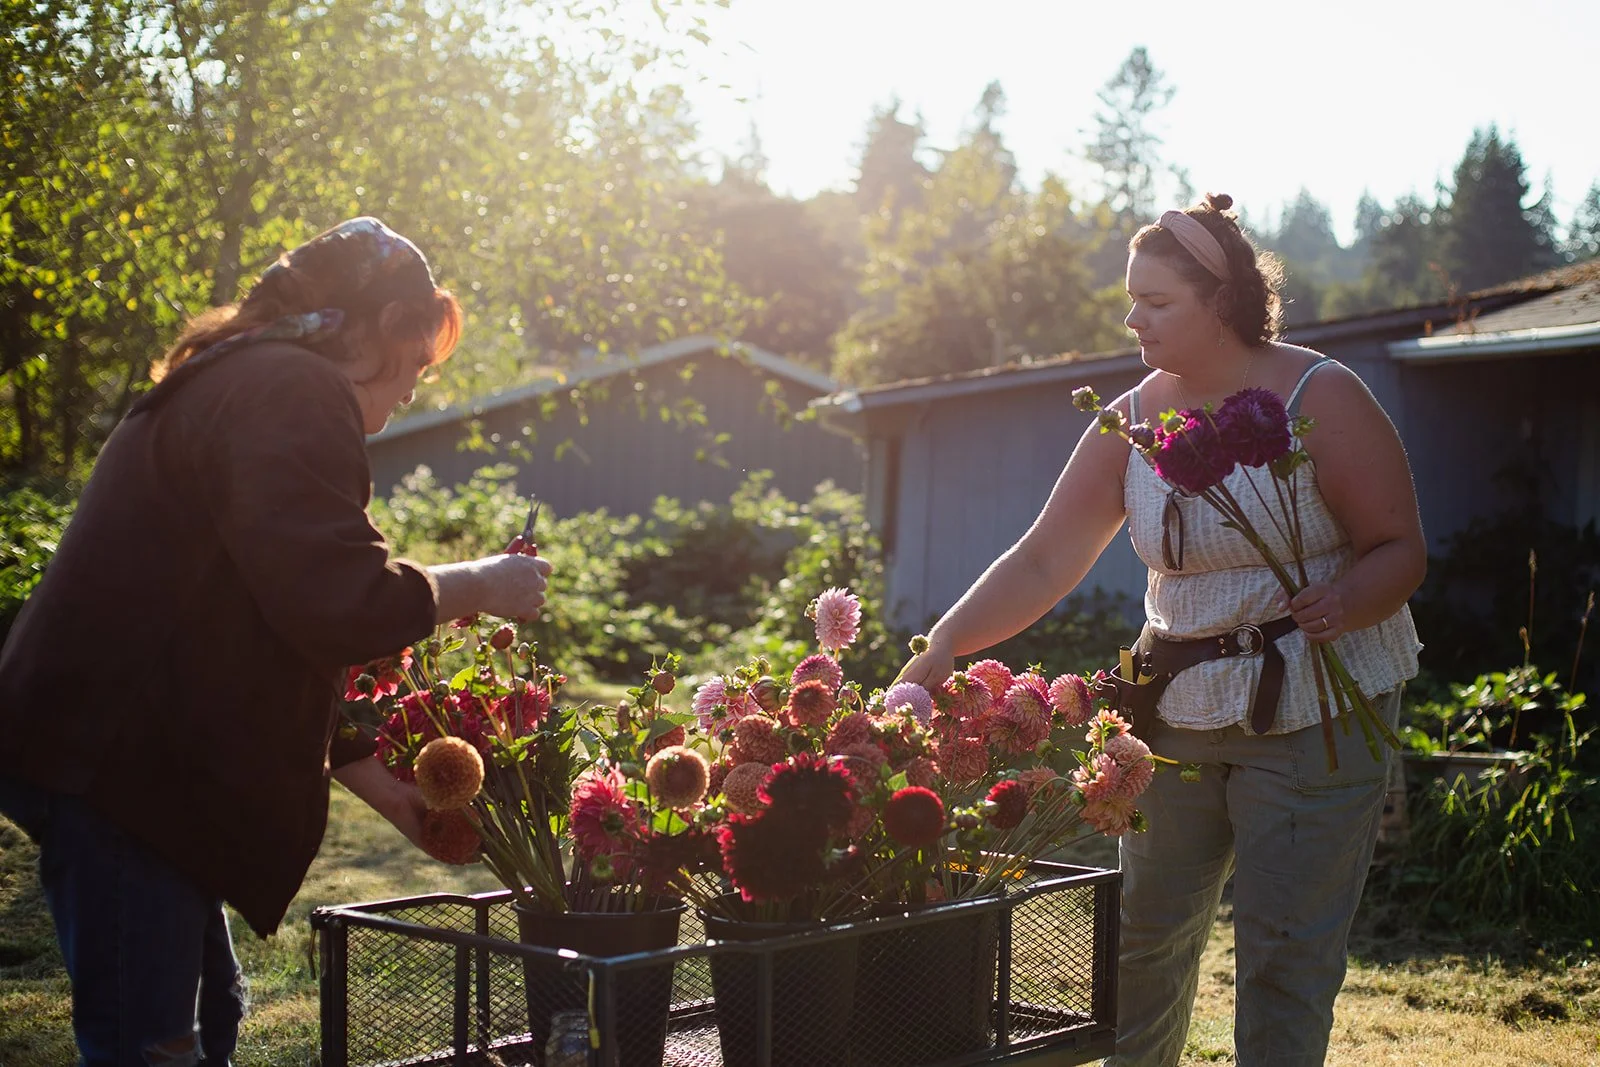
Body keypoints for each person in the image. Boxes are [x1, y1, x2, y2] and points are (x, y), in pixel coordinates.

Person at [0, 217, 553, 1066]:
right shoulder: (287, 390)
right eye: (416, 353)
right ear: (374, 327)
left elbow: (262, 633)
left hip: (134, 757)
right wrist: (483, 583)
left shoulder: (249, 380)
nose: (413, 386)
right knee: (151, 1044)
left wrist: (395, 795)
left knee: (210, 1008)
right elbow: (338, 600)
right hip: (119, 767)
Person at [896, 193, 1424, 1067]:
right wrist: (945, 642)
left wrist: (1350, 598)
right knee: (1139, 944)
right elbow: (1041, 560)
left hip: (1315, 711)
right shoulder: (1131, 417)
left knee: (1284, 960)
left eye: (1155, 301)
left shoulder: (1321, 394)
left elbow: (1400, 547)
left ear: (1221, 301)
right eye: (1131, 298)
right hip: (1173, 710)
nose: (1132, 318)